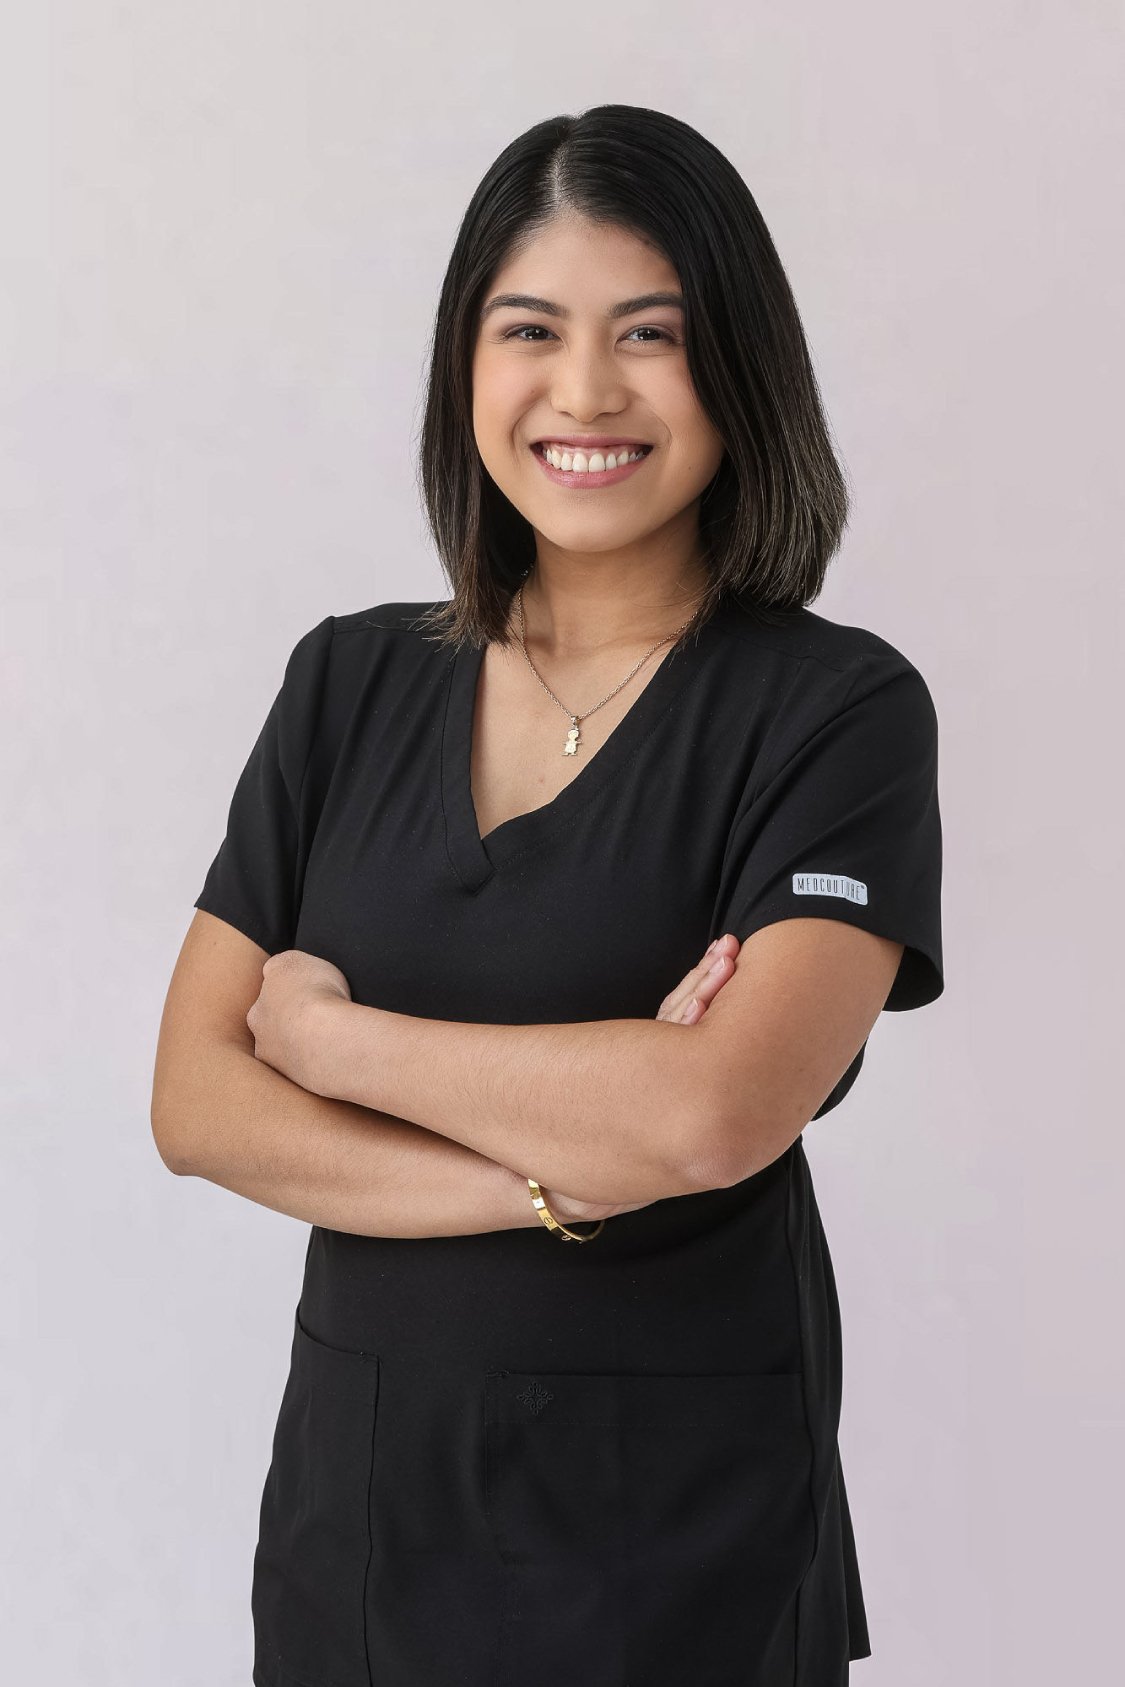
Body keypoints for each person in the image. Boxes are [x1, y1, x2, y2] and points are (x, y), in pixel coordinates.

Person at [152, 103, 944, 1687]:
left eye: (649, 334)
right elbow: (193, 1107)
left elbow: (715, 1117)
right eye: (533, 331)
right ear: (468, 367)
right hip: (360, 1522)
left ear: (739, 370)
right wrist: (560, 1175)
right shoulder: (348, 681)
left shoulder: (834, 709)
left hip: (681, 1535)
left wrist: (327, 1039)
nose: (585, 392)